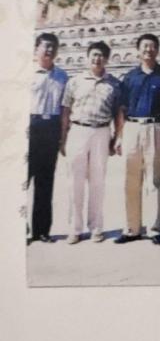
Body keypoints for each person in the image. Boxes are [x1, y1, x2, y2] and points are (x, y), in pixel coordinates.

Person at [113, 34, 160, 245]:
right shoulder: (130, 77)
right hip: (131, 128)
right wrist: (119, 136)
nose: (148, 49)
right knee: (130, 179)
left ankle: (154, 229)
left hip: (156, 128)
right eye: (145, 46)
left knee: (154, 180)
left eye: (152, 46)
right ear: (138, 50)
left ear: (158, 50)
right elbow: (122, 108)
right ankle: (132, 228)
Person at [60, 41, 120, 244]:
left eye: (102, 55)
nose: (97, 58)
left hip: (102, 132)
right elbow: (65, 111)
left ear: (107, 59)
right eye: (94, 54)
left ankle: (96, 227)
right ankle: (74, 229)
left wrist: (116, 137)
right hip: (77, 130)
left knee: (98, 182)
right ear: (88, 57)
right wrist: (63, 138)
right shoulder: (74, 82)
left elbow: (118, 113)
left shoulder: (114, 84)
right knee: (74, 182)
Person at [28, 33, 69, 244]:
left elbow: (64, 108)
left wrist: (62, 137)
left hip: (51, 127)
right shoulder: (26, 73)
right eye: (46, 46)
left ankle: (42, 231)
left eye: (53, 47)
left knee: (45, 182)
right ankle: (18, 229)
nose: (50, 50)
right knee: (21, 182)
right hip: (29, 127)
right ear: (36, 49)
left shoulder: (62, 76)